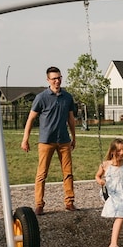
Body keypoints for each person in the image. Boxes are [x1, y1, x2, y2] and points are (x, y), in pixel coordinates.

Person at [21, 66, 78, 215]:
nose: (57, 81)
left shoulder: (67, 97)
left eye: (59, 78)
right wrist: (25, 138)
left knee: (68, 172)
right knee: (42, 174)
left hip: (64, 140)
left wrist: (73, 136)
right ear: (48, 80)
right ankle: (39, 204)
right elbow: (31, 118)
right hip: (46, 141)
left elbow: (71, 119)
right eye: (54, 78)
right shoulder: (41, 98)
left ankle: (69, 201)